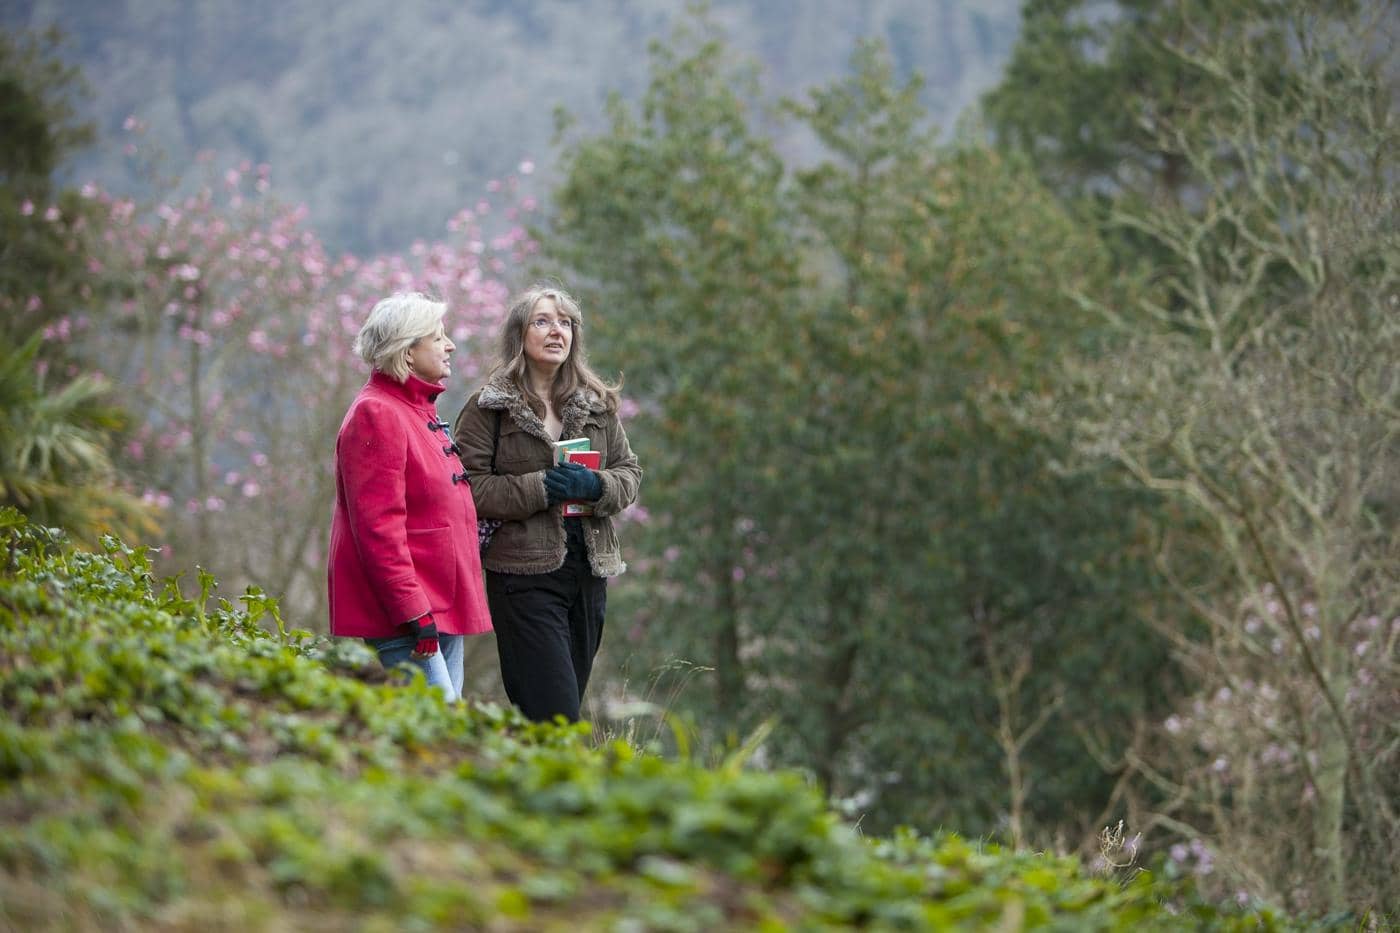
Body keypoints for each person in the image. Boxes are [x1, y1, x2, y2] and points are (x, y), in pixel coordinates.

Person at [453, 284, 641, 723]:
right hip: (523, 577)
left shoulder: (598, 405)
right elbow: (468, 489)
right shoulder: (488, 408)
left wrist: (595, 486)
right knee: (555, 715)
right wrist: (543, 487)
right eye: (542, 321)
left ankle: (527, 784)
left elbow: (630, 475)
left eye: (565, 323)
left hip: (589, 575)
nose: (557, 331)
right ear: (519, 334)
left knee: (558, 713)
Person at [327, 291, 492, 701]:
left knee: (446, 734)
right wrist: (412, 611)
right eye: (438, 337)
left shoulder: (415, 408)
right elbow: (378, 529)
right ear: (407, 347)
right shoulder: (376, 413)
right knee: (442, 730)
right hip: (407, 613)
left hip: (440, 601)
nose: (450, 344)